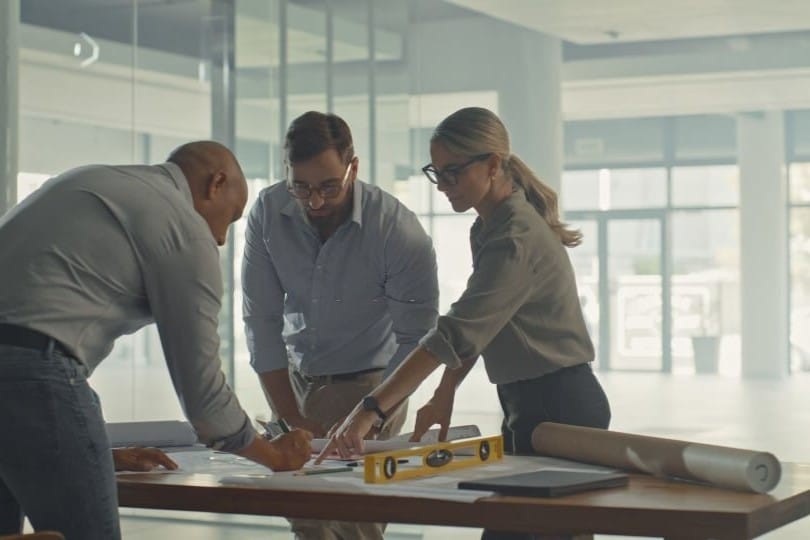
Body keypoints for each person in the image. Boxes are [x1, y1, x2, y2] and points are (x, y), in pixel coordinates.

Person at [317, 108, 611, 537]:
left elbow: (456, 331)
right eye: (437, 173)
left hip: (560, 405)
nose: (442, 187)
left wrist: (370, 410)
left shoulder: (514, 237)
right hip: (528, 404)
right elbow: (482, 325)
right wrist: (445, 390)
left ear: (493, 165)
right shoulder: (488, 226)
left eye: (452, 173)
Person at [0, 141, 312, 540]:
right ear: (215, 183)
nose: (220, 240)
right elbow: (205, 399)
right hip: (31, 377)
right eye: (230, 219)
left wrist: (92, 452)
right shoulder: (183, 225)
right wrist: (275, 456)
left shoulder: (92, 179)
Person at [242, 111, 438, 539]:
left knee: (356, 521)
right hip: (297, 382)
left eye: (329, 186)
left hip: (371, 382)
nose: (315, 202)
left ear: (355, 166)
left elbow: (419, 339)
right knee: (305, 521)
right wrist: (289, 414)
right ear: (285, 172)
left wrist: (373, 410)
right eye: (302, 187)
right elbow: (262, 320)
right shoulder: (268, 213)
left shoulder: (395, 228)